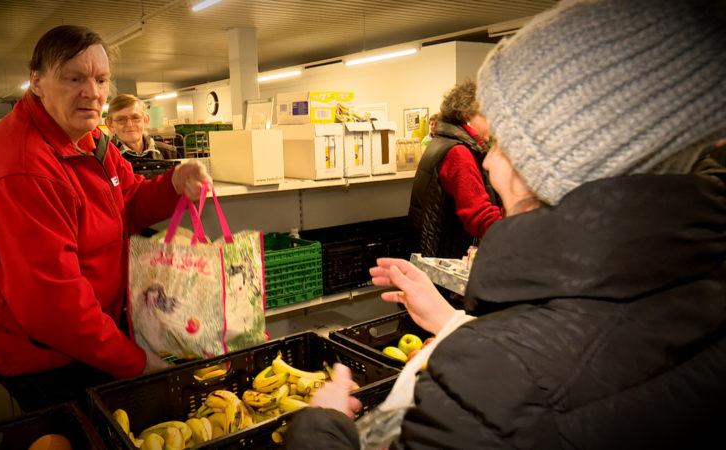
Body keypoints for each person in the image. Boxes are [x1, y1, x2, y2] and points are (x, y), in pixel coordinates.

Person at [285, 0, 726, 448]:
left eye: (504, 143)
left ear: (552, 165)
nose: (490, 160)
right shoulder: (702, 296)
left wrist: (321, 422)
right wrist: (451, 319)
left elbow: (526, 378)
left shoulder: (493, 376)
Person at [0, 25, 212, 412]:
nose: (92, 92)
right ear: (36, 81)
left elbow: (127, 201)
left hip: (88, 332)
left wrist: (174, 184)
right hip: (44, 354)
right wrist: (134, 362)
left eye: (101, 79)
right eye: (74, 78)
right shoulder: (22, 167)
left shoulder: (87, 139)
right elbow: (51, 305)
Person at [406, 80, 502, 260]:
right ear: (468, 116)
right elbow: (479, 217)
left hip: (431, 253)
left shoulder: (441, 142)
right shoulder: (459, 153)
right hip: (446, 258)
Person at [104, 93, 178, 160]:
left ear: (146, 120)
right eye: (121, 119)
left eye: (135, 118)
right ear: (110, 125)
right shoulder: (103, 158)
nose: (129, 124)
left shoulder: (168, 153)